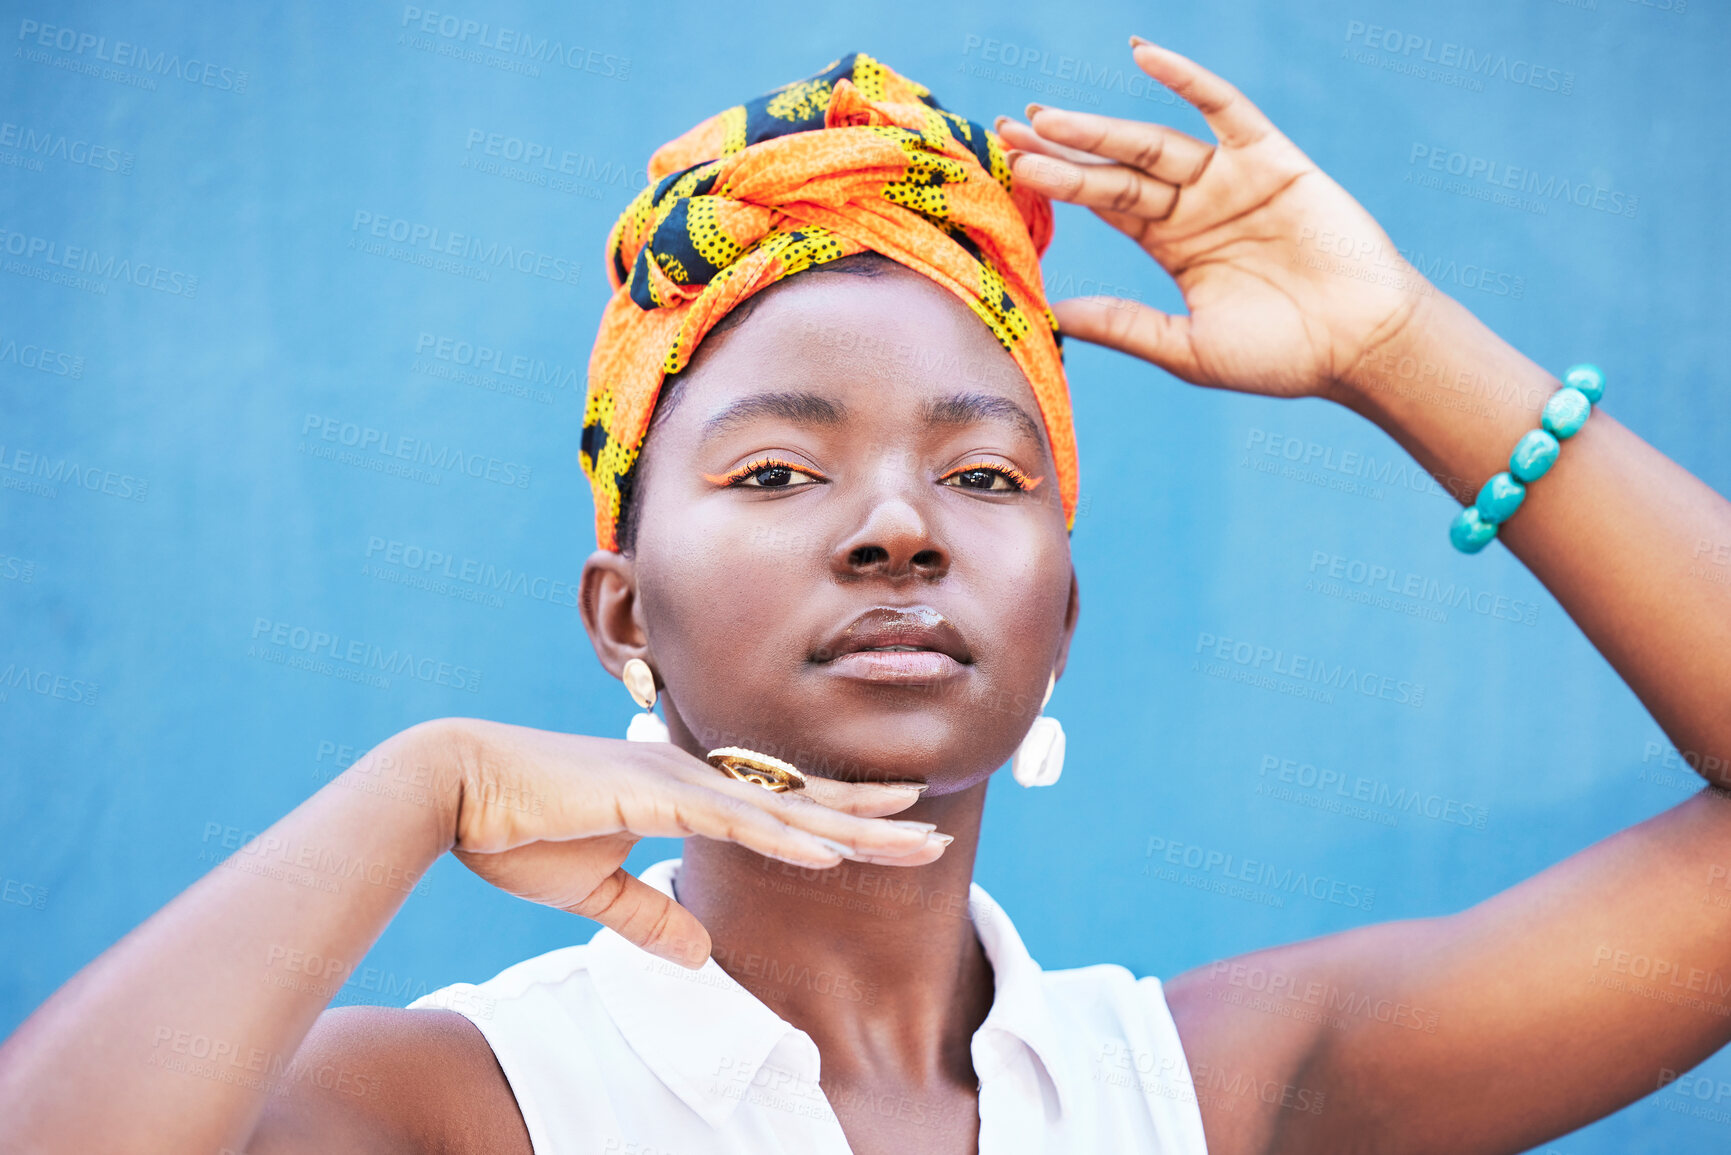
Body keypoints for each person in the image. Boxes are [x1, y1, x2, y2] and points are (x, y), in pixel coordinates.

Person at [3, 37, 1729, 1155]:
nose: (899, 528)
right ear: (622, 616)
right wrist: (422, 783)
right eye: (777, 472)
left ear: (1059, 622)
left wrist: (1396, 352)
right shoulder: (460, 1111)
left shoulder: (1206, 1097)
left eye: (984, 478)